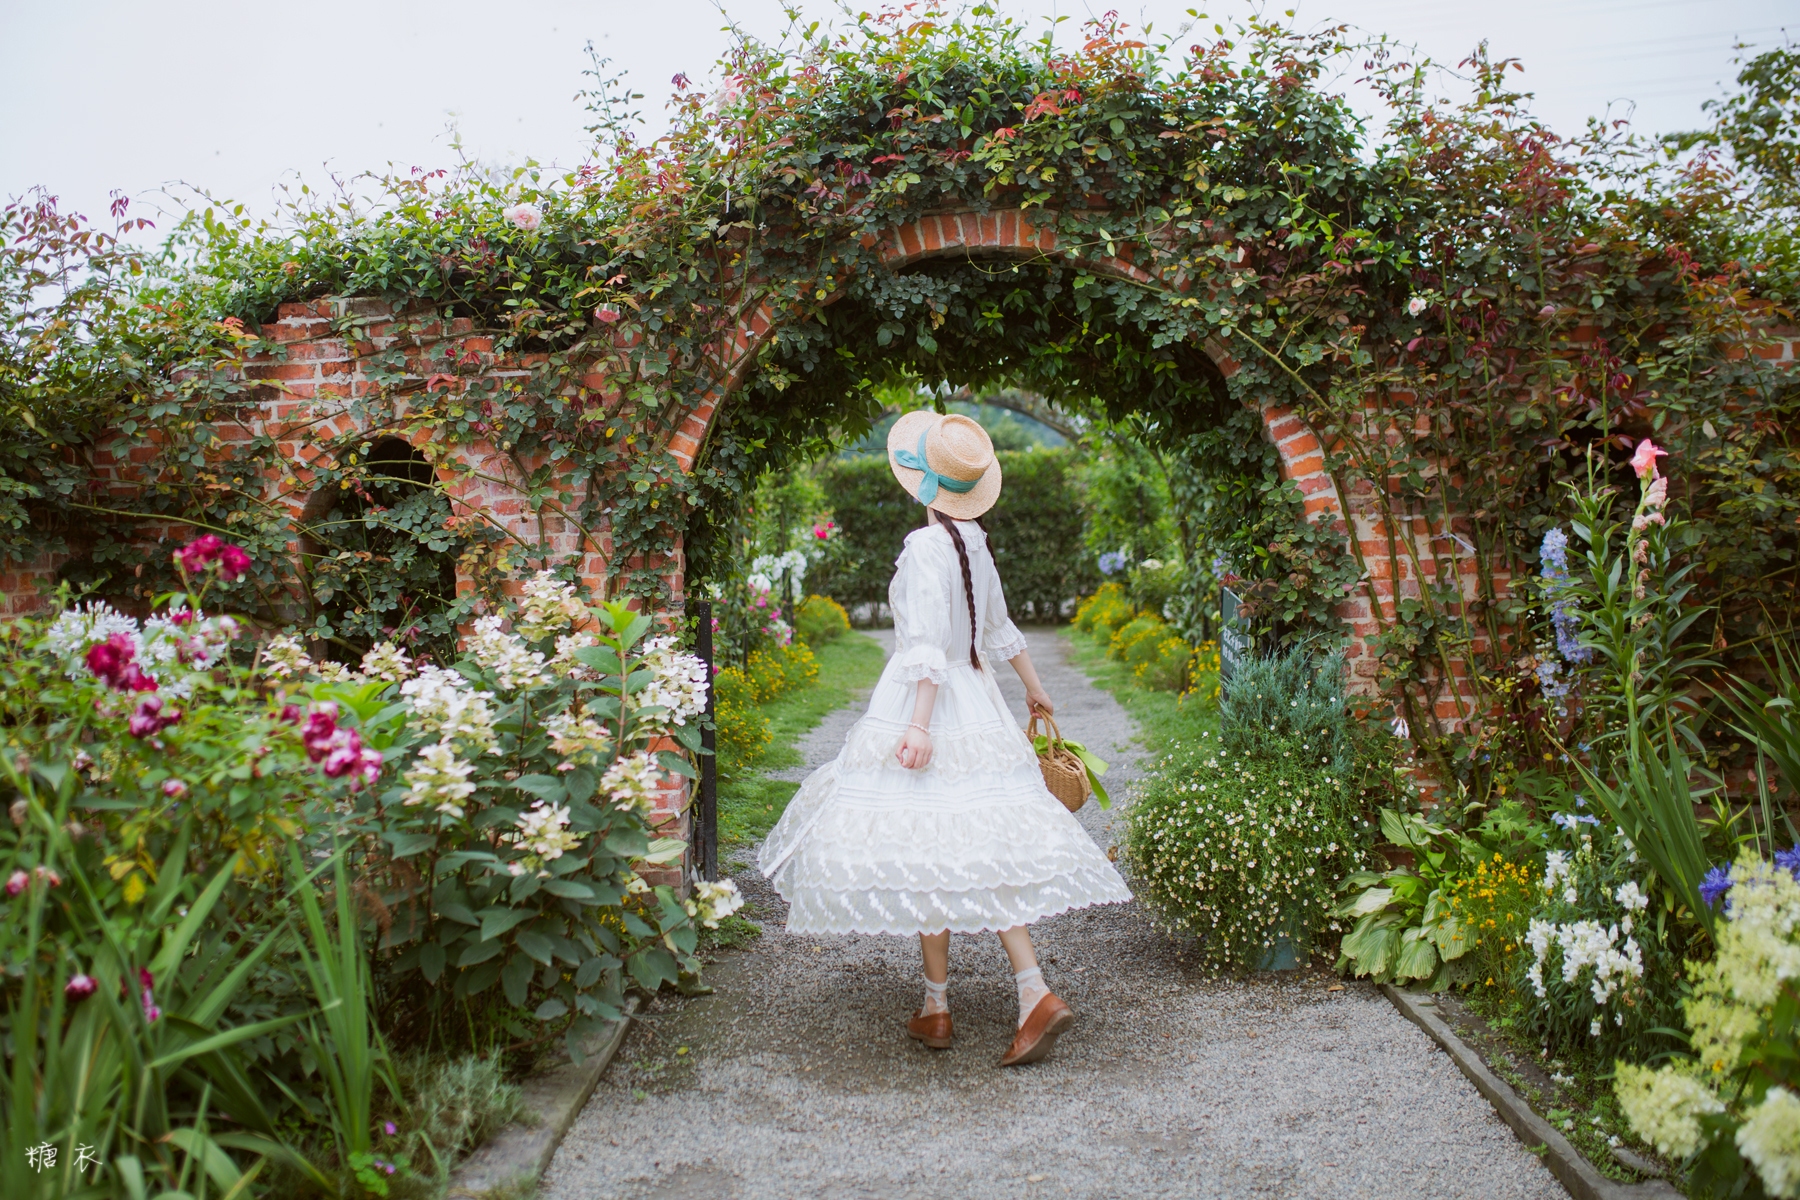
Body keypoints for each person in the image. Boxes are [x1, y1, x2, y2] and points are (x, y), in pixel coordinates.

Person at [758, 411, 1130, 1066]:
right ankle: (972, 1001)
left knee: (930, 847)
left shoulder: (925, 546)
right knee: (964, 849)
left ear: (924, 485)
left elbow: (927, 646)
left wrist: (919, 726)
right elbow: (1001, 631)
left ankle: (990, 998)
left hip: (929, 703)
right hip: (976, 699)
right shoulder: (977, 544)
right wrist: (1035, 689)